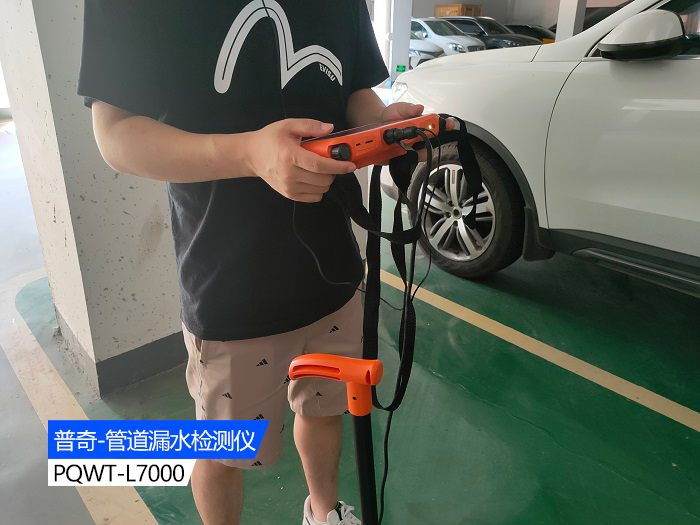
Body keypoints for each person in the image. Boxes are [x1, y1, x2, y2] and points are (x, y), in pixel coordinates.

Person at [78, 1, 428, 523]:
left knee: (324, 406)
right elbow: (116, 134)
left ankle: (324, 512)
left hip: (333, 266)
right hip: (230, 282)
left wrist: (379, 126)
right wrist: (249, 153)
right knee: (223, 448)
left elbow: (351, 88)